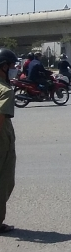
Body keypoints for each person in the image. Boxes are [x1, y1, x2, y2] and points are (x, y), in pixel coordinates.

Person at [0, 48, 18, 233]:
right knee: (5, 182)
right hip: (2, 142)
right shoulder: (5, 91)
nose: (14, 70)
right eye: (12, 66)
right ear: (3, 67)